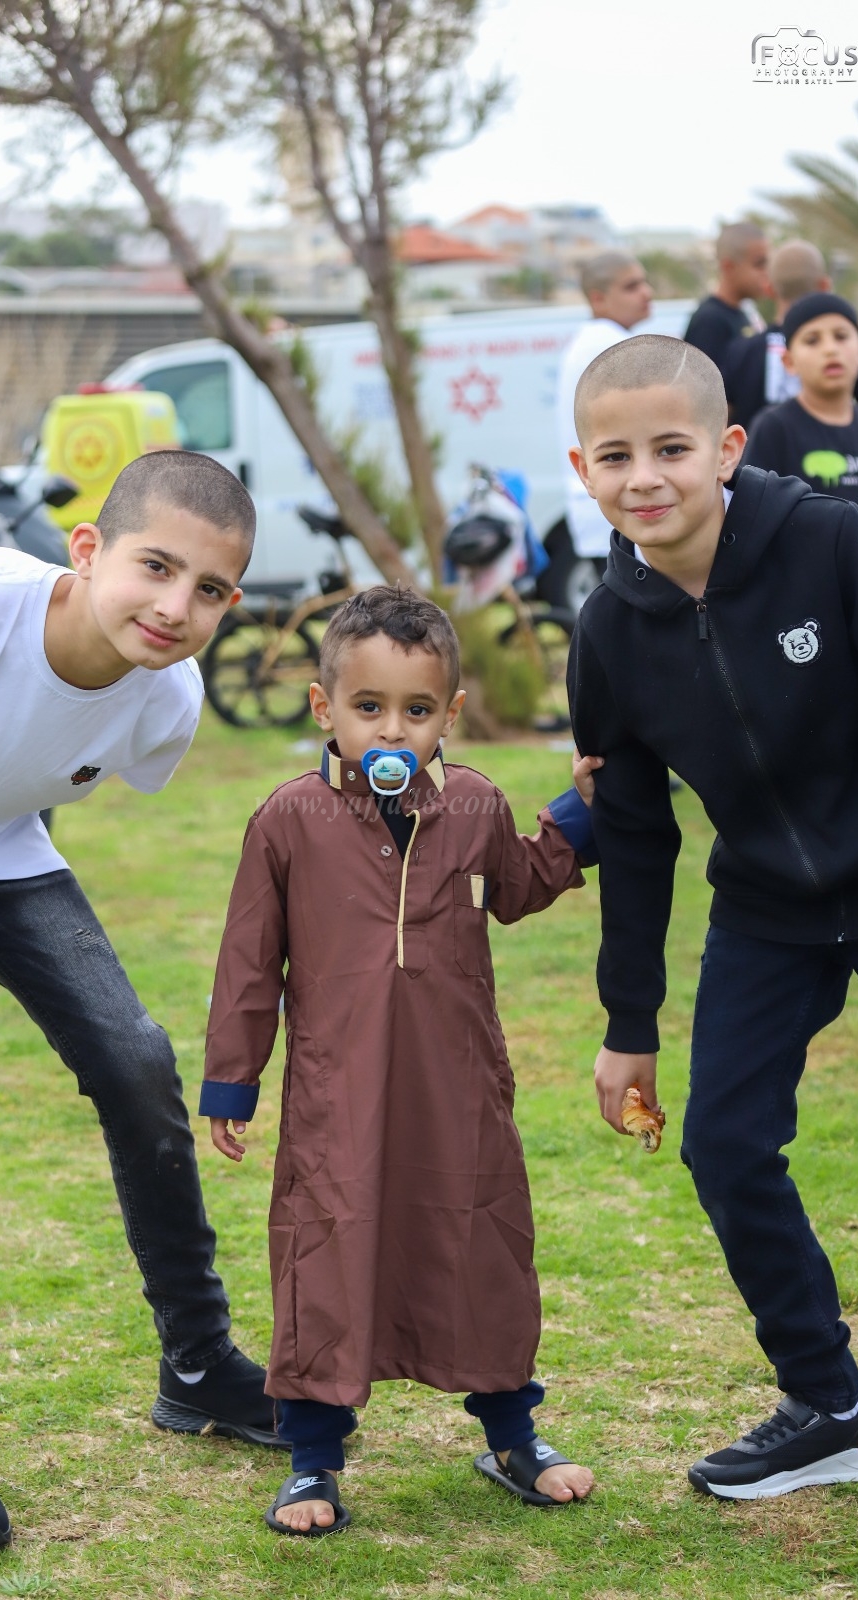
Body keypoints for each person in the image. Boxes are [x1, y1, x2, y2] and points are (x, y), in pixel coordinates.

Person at [0, 451, 285, 1556]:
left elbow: (30, 762)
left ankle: (197, 1361)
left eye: (212, 589)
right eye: (155, 567)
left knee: (134, 1055)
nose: (177, 607)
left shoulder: (165, 701)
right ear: (86, 551)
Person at [566, 334, 858, 1503]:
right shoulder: (608, 627)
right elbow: (639, 835)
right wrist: (627, 1021)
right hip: (763, 909)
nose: (644, 476)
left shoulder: (829, 543)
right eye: (616, 455)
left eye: (670, 448)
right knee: (724, 1144)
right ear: (583, 468)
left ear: (727, 448)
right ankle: (830, 1407)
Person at [200, 587, 599, 1536]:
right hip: (339, 1095)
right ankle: (310, 1461)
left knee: (482, 1244)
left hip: (457, 1086)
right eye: (368, 707)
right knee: (329, 1247)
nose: (393, 728)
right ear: (323, 708)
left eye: (416, 711)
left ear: (449, 715)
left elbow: (519, 882)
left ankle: (513, 1432)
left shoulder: (471, 806)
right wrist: (232, 1079)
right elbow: (250, 963)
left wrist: (578, 818)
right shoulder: (287, 820)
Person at [742, 292, 858, 549]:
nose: (830, 349)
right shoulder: (773, 429)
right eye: (812, 340)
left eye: (841, 336)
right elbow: (752, 520)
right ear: (789, 362)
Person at [722, 240, 858, 433]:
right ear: (824, 285)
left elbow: (719, 424)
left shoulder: (740, 352)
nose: (828, 347)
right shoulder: (842, 351)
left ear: (769, 289)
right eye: (811, 340)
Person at [556, 251, 654, 577]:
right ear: (598, 298)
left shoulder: (594, 342)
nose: (646, 293)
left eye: (644, 282)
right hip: (620, 509)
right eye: (631, 286)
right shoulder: (609, 345)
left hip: (608, 505)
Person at [683, 221, 770, 370]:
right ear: (728, 267)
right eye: (759, 264)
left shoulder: (741, 313)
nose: (766, 272)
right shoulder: (709, 321)